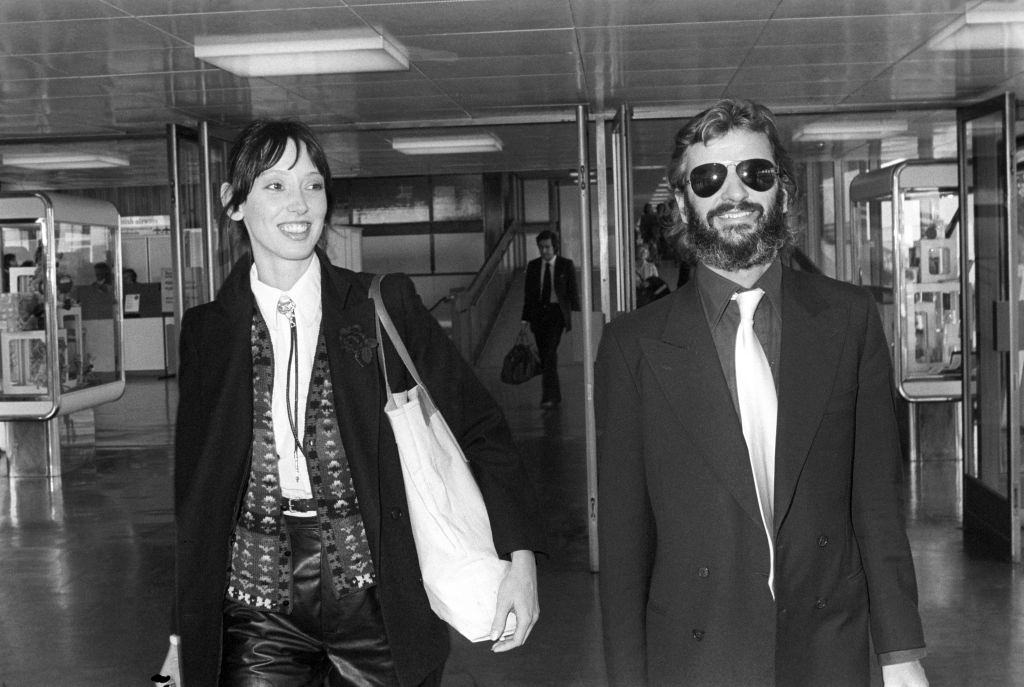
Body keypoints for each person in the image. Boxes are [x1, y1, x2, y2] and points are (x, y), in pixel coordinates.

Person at [172, 119, 544, 686]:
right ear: (233, 203)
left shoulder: (380, 305)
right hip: (254, 605)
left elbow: (480, 426)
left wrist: (521, 558)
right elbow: (195, 498)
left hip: (374, 596)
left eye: (313, 185)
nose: (299, 204)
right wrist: (180, 638)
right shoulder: (207, 332)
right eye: (275, 186)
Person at [595, 98, 928, 687]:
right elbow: (624, 543)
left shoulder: (849, 319)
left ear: (781, 191)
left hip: (828, 642)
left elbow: (876, 500)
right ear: (682, 201)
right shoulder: (632, 345)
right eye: (709, 177)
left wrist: (900, 652)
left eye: (756, 173)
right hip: (697, 653)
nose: (734, 193)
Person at [520, 230, 579, 408]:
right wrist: (525, 320)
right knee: (545, 355)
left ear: (555, 247)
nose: (544, 251)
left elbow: (572, 294)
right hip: (538, 315)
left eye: (547, 247)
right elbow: (528, 296)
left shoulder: (565, 265)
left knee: (550, 353)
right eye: (541, 247)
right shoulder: (533, 266)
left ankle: (549, 396)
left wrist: (576, 318)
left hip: (556, 315)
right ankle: (554, 394)